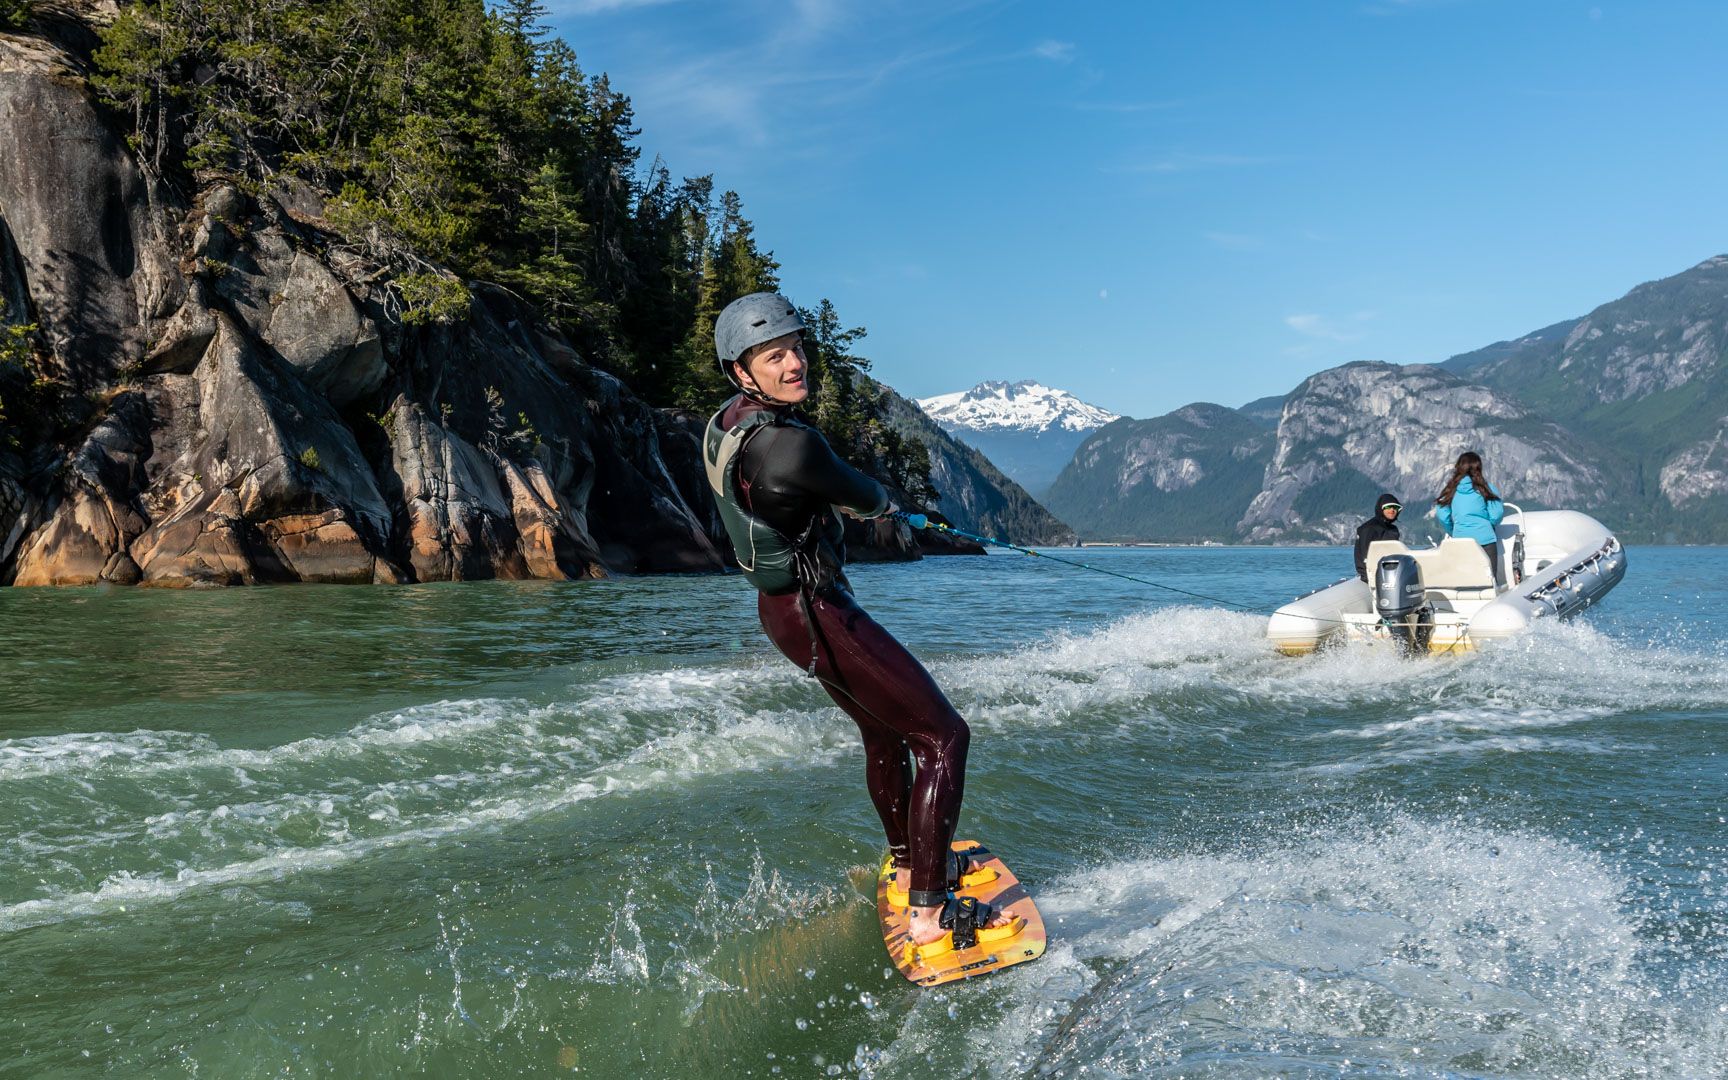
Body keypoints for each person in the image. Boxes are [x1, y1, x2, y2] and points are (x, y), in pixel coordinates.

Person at [702, 292, 1007, 950]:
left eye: (798, 349)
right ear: (742, 371)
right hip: (818, 614)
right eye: (775, 355)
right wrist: (889, 506)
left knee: (883, 731)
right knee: (944, 737)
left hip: (783, 613)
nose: (795, 364)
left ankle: (908, 858)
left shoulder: (727, 424)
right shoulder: (789, 446)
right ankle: (927, 910)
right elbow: (863, 495)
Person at [1434, 451, 1506, 586]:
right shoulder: (1486, 488)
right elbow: (1497, 513)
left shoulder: (1451, 490)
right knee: (1489, 582)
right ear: (1479, 468)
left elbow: (1442, 515)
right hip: (1486, 541)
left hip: (1461, 541)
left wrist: (1453, 530)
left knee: (1463, 581)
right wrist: (1487, 525)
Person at [1353, 493, 1402, 581]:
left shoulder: (1393, 529)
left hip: (1391, 572)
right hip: (1372, 576)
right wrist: (1371, 577)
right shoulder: (1369, 528)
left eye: (1395, 507)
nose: (1392, 510)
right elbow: (1364, 557)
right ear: (1380, 509)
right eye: (1388, 507)